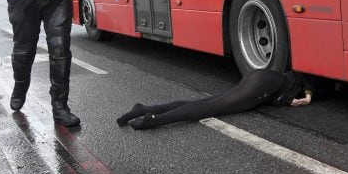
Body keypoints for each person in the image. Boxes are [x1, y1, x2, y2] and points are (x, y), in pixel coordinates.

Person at [117, 69, 315, 130]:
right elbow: (309, 81)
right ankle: (154, 121)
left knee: (207, 103)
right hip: (265, 84)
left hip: (260, 79)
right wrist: (307, 97)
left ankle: (143, 109)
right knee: (212, 107)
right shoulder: (309, 84)